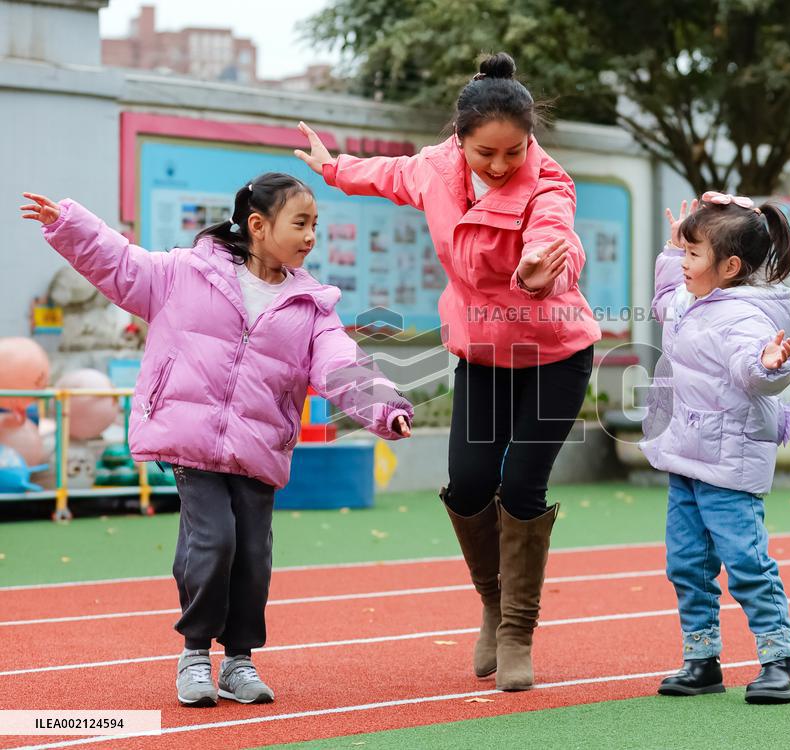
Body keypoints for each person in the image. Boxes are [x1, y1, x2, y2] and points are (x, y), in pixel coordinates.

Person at [21, 173, 413, 707]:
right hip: (191, 440)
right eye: (300, 223)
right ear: (257, 225)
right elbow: (121, 262)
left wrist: (384, 407)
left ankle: (240, 661)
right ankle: (195, 653)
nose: (310, 236)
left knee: (252, 554)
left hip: (258, 446)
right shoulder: (184, 272)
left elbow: (341, 363)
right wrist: (69, 223)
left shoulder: (312, 306)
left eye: (315, 225)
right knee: (214, 541)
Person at [295, 52, 601, 691]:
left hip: (554, 354)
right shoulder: (435, 169)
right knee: (466, 485)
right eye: (484, 152)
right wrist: (333, 169)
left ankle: (517, 630)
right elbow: (389, 173)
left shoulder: (550, 183)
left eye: (513, 152)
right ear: (458, 140)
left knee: (520, 487)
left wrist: (550, 267)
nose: (498, 165)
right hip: (485, 353)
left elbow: (559, 237)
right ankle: (492, 604)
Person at [640, 192, 790, 704]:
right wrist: (672, 254)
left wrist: (771, 363)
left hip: (729, 462)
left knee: (747, 562)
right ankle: (702, 660)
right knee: (686, 564)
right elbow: (664, 301)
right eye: (685, 253)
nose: (684, 264)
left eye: (694, 254)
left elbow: (752, 373)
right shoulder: (695, 300)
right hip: (687, 455)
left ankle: (780, 663)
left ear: (730, 266)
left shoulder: (744, 318)